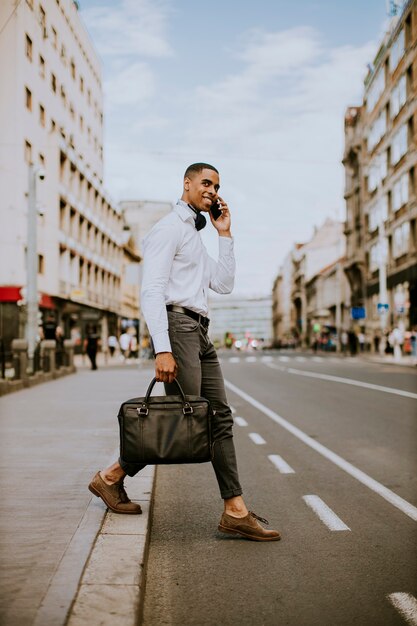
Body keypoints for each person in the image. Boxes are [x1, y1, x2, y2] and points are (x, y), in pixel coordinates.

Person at [88, 163, 280, 542]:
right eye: (205, 183)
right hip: (177, 329)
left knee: (218, 417)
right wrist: (162, 348)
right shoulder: (168, 229)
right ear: (187, 184)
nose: (212, 190)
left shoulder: (195, 235)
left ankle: (234, 511)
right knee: (182, 420)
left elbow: (222, 284)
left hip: (200, 332)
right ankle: (110, 477)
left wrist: (225, 235)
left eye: (217, 186)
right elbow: (152, 291)